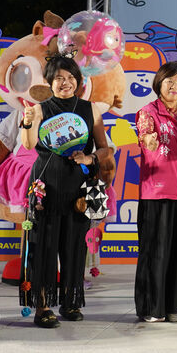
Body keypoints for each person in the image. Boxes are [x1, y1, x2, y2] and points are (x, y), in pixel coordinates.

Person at [20, 56, 111, 328]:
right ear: (49, 82)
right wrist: (27, 122)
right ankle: (42, 306)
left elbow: (105, 148)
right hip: (45, 186)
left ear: (79, 82)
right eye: (59, 78)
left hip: (77, 189)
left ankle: (70, 302)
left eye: (71, 78)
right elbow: (28, 145)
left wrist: (90, 158)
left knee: (74, 245)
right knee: (44, 247)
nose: (65, 83)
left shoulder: (89, 109)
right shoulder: (39, 109)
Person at [134, 61, 177, 323]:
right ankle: (151, 308)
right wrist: (148, 140)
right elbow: (146, 137)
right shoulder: (148, 112)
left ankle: (174, 306)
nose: (175, 86)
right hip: (156, 193)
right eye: (170, 81)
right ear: (159, 83)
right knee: (155, 252)